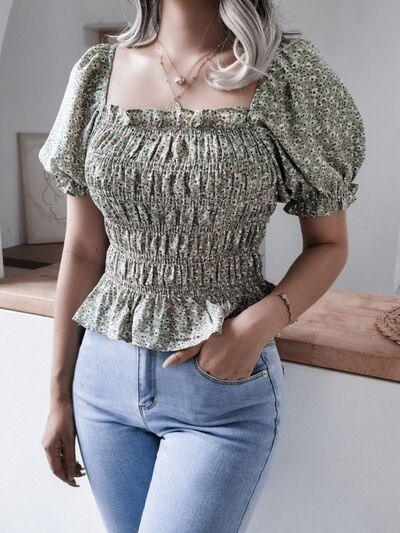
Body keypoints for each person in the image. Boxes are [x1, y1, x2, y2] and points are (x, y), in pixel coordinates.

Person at [38, 1, 366, 531]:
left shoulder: (288, 77)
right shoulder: (96, 73)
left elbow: (329, 243)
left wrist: (254, 327)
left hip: (219, 395)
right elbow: (81, 251)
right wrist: (57, 396)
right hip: (101, 386)